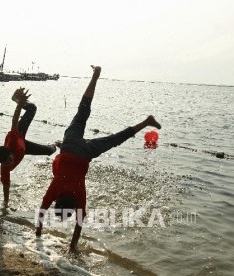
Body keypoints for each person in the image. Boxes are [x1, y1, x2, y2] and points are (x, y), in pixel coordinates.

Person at [35, 66, 161, 252]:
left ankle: (146, 122)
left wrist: (72, 246)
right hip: (70, 145)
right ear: (57, 201)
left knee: (115, 139)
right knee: (82, 112)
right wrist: (38, 232)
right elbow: (42, 212)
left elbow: (78, 224)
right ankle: (95, 75)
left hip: (86, 153)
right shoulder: (55, 191)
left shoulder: (78, 196)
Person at [0, 87, 57, 203]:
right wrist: (5, 205)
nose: (10, 163)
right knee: (50, 151)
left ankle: (16, 98)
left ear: (9, 152)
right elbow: (6, 187)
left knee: (32, 108)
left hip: (19, 136)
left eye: (9, 159)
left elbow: (14, 121)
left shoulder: (12, 142)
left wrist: (20, 104)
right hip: (24, 148)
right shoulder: (4, 169)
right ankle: (57, 143)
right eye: (7, 162)